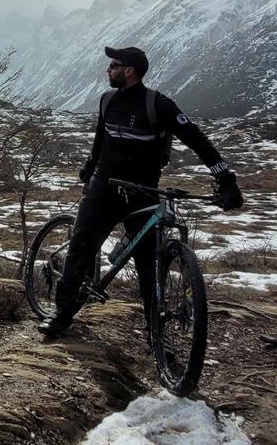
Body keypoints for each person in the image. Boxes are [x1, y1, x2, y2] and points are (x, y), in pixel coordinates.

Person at [37, 46, 244, 337]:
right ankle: (61, 314)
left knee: (149, 265)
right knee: (80, 247)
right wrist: (89, 166)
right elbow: (101, 138)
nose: (108, 69)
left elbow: (196, 138)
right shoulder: (107, 100)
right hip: (104, 186)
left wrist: (225, 177)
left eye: (113, 65)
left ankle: (154, 329)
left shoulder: (159, 105)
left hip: (142, 193)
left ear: (129, 70)